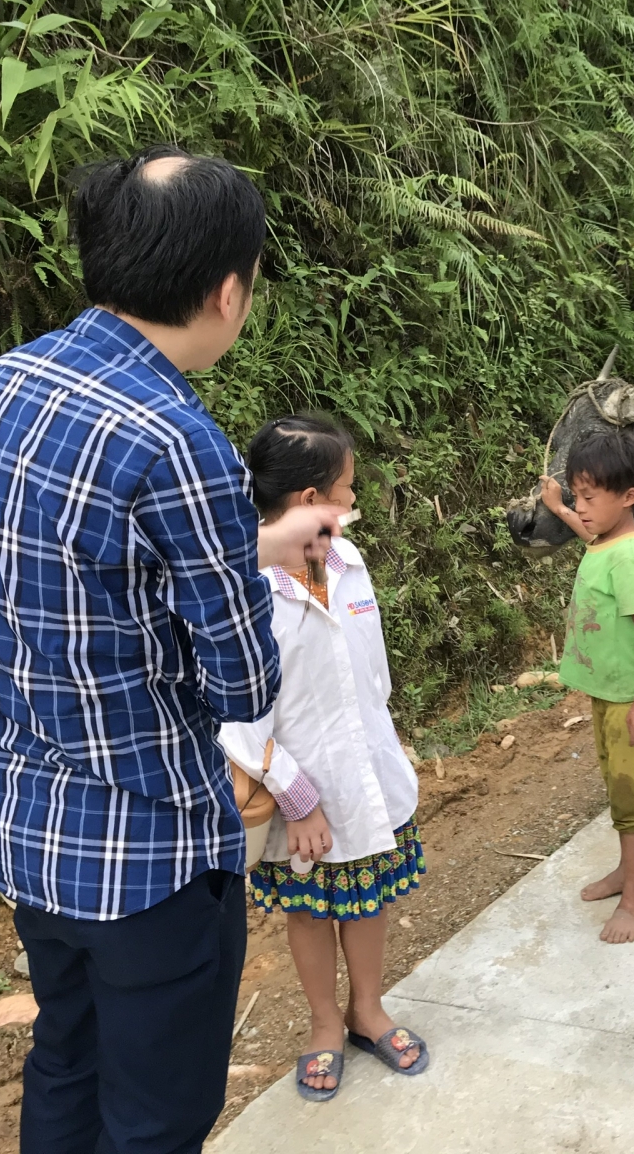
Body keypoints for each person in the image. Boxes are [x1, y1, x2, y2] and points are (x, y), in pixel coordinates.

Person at [0, 147, 343, 1154]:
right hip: (146, 857)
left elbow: (65, 569)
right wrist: (251, 570)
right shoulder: (179, 440)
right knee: (156, 1119)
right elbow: (241, 679)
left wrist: (235, 546)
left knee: (67, 1060)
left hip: (26, 831)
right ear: (227, 291)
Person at [220, 414, 428, 1103]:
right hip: (299, 792)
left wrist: (385, 740)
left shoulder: (349, 562)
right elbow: (237, 712)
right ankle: (323, 1027)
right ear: (310, 502)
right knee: (310, 911)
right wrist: (296, 795)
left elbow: (372, 670)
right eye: (345, 489)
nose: (352, 502)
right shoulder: (247, 591)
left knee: (366, 900)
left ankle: (367, 1010)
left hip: (363, 772)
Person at [538, 430, 634, 944]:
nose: (581, 508)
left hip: (627, 701)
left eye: (590, 498)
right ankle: (628, 873)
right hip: (607, 695)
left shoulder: (631, 557)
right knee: (616, 785)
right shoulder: (606, 538)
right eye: (576, 496)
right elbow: (591, 535)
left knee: (631, 796)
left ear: (628, 497)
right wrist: (558, 508)